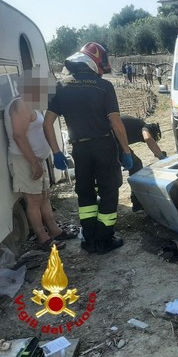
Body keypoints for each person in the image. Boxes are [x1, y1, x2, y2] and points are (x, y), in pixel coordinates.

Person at [43, 42, 133, 255]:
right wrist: (126, 151)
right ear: (95, 64)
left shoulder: (60, 87)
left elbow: (47, 124)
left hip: (79, 149)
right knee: (109, 191)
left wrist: (56, 152)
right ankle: (105, 239)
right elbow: (116, 123)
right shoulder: (104, 86)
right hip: (103, 146)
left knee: (84, 193)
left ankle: (89, 238)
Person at [4, 69, 76, 251]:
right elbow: (19, 136)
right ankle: (42, 238)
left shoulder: (31, 104)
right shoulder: (21, 104)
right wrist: (34, 162)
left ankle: (54, 230)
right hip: (26, 161)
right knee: (34, 200)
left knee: (44, 196)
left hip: (37, 159)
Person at [120, 115, 167, 212]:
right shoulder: (145, 126)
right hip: (112, 140)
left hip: (107, 140)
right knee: (136, 165)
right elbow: (148, 139)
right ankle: (137, 203)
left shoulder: (135, 126)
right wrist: (161, 156)